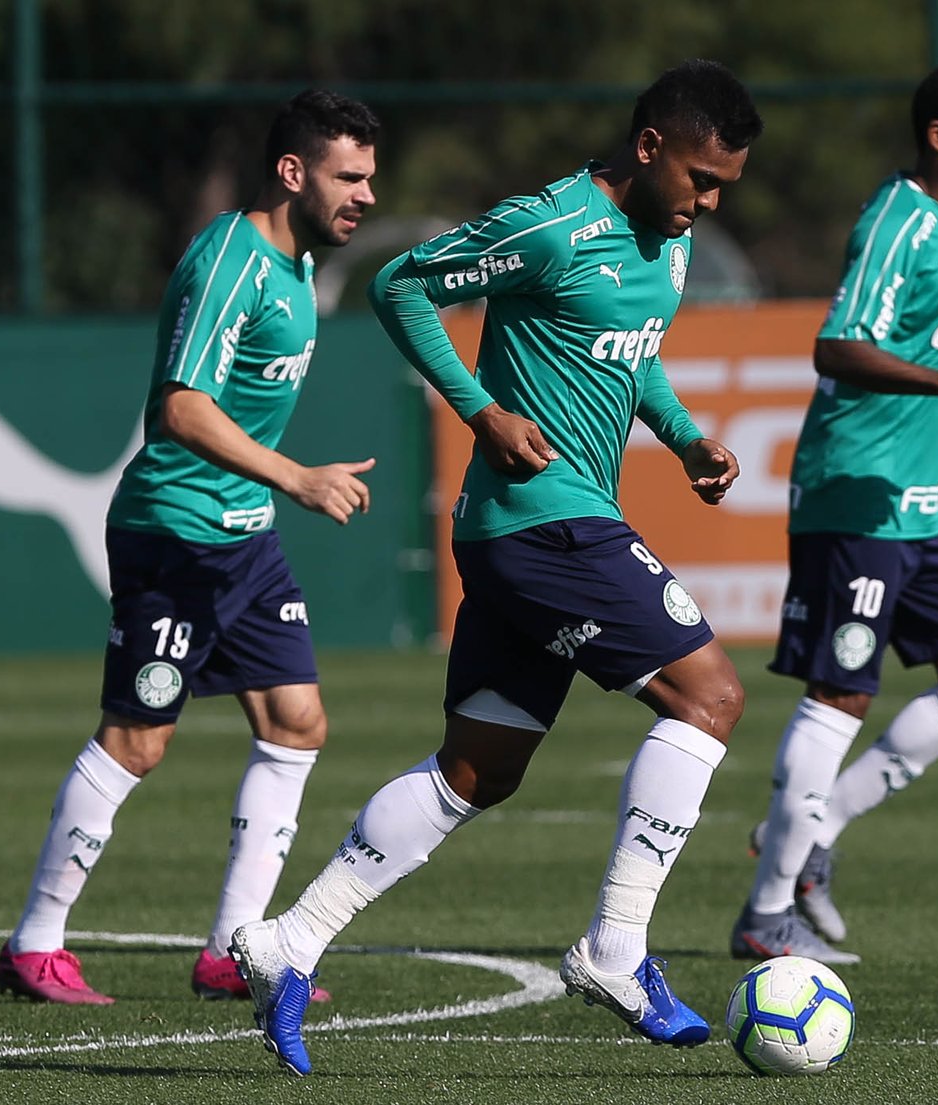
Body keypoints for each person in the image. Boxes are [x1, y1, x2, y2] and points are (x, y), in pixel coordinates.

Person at [228, 59, 763, 1077]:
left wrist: (687, 437)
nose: (709, 201)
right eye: (700, 178)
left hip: (544, 531)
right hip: (540, 524)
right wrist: (480, 409)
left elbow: (632, 349)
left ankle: (289, 938)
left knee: (478, 769)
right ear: (649, 148)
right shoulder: (550, 225)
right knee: (711, 697)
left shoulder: (670, 242)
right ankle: (616, 946)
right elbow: (401, 284)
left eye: (726, 186)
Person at [0, 89, 382, 1005]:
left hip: (244, 543)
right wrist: (295, 476)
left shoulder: (297, 267)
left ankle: (234, 949)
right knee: (137, 740)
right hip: (174, 536)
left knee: (296, 722)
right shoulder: (232, 261)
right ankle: (34, 945)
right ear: (293, 173)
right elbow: (178, 407)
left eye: (372, 176)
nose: (365, 194)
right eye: (349, 176)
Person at [730, 59, 938, 966]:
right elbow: (838, 346)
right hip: (853, 493)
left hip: (922, 503)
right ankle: (766, 912)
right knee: (843, 693)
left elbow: (933, 343)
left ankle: (815, 835)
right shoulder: (897, 221)